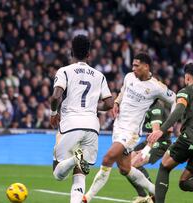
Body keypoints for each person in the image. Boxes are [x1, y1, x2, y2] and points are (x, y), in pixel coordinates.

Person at [83, 52, 176, 203]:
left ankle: (86, 198)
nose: (133, 68)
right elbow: (123, 92)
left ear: (146, 67)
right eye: (133, 65)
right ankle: (155, 191)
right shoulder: (129, 77)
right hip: (118, 126)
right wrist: (117, 103)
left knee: (108, 158)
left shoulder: (156, 87)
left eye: (136, 66)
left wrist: (169, 123)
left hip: (131, 133)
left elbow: (175, 100)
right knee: (125, 168)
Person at [50, 34, 114, 203]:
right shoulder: (99, 75)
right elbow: (109, 103)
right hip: (92, 126)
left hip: (71, 123)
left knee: (58, 174)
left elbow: (56, 96)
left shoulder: (64, 71)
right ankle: (78, 160)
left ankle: (74, 158)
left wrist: (53, 113)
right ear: (89, 55)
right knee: (80, 175)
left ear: (71, 53)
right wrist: (94, 107)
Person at [148, 63, 193, 203]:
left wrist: (161, 130)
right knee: (184, 182)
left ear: (187, 77)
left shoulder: (187, 91)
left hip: (192, 136)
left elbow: (179, 110)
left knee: (165, 166)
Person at [128, 100, 172, 203]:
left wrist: (145, 151)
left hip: (160, 143)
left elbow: (157, 133)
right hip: (149, 140)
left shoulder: (156, 108)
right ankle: (143, 196)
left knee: (133, 164)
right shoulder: (144, 105)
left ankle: (153, 195)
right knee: (125, 165)